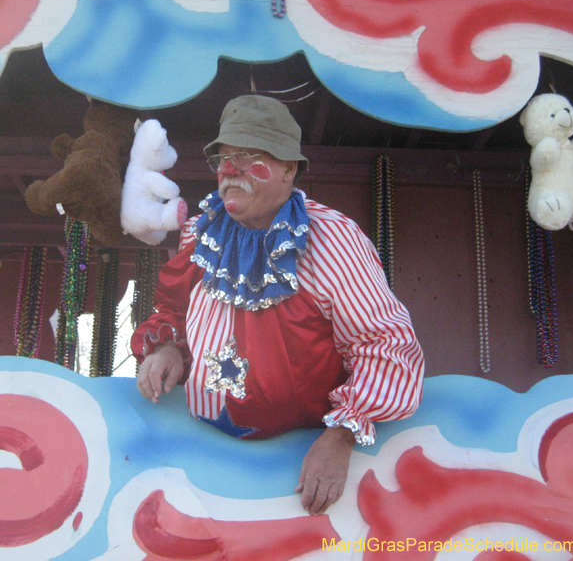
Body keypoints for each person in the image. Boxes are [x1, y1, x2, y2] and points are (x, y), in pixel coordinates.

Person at [132, 95, 425, 515]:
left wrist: (341, 435)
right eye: (223, 158)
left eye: (249, 156)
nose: (229, 171)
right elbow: (176, 311)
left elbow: (388, 348)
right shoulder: (201, 231)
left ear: (289, 168)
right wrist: (168, 349)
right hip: (201, 458)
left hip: (294, 465)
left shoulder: (334, 240)